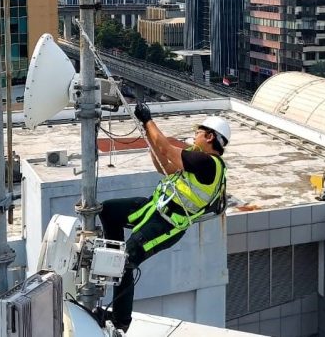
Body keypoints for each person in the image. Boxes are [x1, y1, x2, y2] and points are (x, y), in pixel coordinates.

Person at [98, 103, 230, 332]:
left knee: (126, 262)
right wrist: (148, 134)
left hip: (166, 225)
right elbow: (164, 166)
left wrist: (148, 120)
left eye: (198, 132)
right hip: (154, 208)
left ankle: (120, 320)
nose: (195, 135)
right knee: (109, 211)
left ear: (209, 137)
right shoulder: (197, 164)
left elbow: (168, 151)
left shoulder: (207, 163)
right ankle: (112, 256)